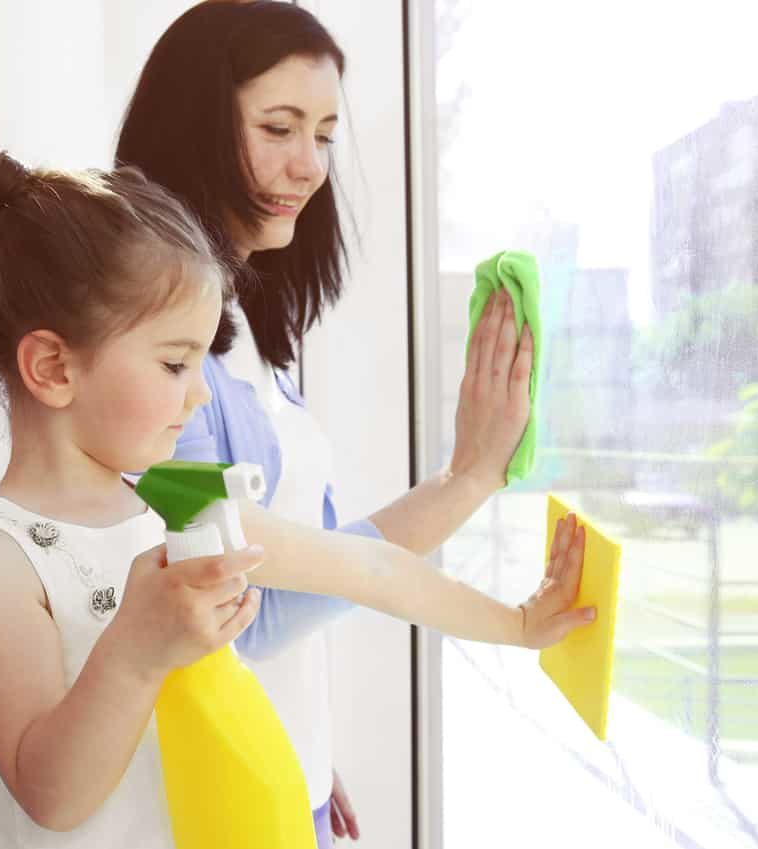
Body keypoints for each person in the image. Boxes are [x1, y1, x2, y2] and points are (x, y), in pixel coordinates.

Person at [0, 123, 592, 848]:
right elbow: (50, 793)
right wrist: (135, 650)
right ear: (52, 368)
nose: (199, 394)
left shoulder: (175, 505)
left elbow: (369, 565)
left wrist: (517, 625)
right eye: (175, 364)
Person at [115, 2, 539, 842]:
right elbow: (247, 604)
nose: (307, 166)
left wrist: (475, 470)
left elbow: (306, 562)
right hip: (215, 800)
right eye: (277, 127)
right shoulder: (159, 352)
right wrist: (468, 486)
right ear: (192, 127)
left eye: (324, 134)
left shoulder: (254, 337)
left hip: (283, 768)